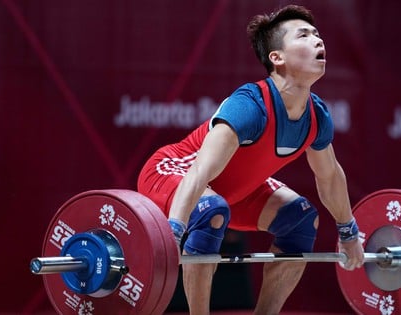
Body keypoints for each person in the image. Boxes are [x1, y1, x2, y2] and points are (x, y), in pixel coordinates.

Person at [137, 4, 364, 314]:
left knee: (301, 219)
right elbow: (200, 171)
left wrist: (348, 232)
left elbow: (329, 177)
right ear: (277, 57)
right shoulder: (250, 106)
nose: (318, 40)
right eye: (304, 35)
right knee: (211, 209)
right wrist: (173, 233)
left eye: (317, 34)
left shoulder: (317, 116)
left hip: (233, 192)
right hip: (173, 172)